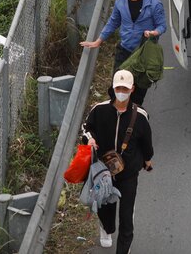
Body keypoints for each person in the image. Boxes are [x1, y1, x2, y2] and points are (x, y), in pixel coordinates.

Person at [82, 70, 154, 253]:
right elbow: (86, 129)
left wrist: (147, 159)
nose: (121, 91)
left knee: (126, 215)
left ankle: (123, 249)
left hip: (129, 173)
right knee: (106, 207)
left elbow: (146, 142)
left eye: (125, 88)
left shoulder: (141, 116)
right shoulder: (99, 110)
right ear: (113, 88)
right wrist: (89, 139)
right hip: (103, 173)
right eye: (118, 88)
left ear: (132, 89)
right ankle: (106, 228)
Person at [80, 0, 166, 105]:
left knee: (137, 93)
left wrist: (154, 32)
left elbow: (162, 26)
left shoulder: (154, 4)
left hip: (142, 54)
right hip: (124, 51)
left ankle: (135, 117)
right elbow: (113, 22)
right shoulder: (120, 1)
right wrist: (98, 41)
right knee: (118, 87)